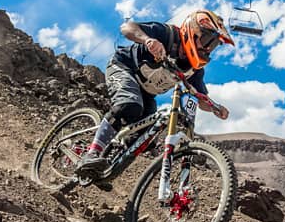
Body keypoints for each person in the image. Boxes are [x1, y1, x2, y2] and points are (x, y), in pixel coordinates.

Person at [76, 10, 233, 178]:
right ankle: (92, 153)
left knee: (147, 137)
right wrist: (148, 40)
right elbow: (127, 27)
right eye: (207, 40)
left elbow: (200, 98)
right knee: (129, 105)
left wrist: (215, 108)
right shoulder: (168, 34)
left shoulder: (194, 70)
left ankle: (107, 170)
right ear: (191, 30)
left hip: (147, 94)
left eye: (214, 45)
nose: (208, 48)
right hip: (124, 68)